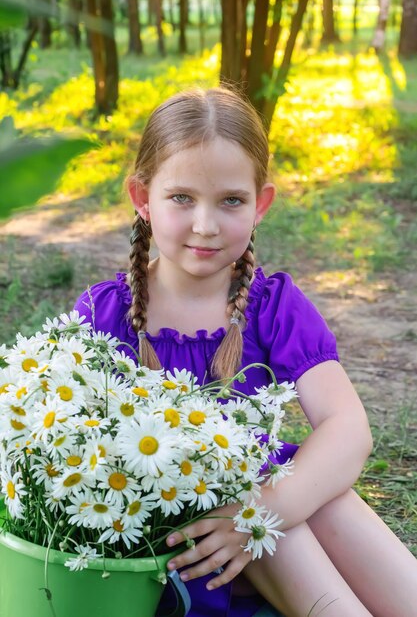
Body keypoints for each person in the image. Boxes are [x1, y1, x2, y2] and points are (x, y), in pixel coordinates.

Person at [74, 87, 417, 617]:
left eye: (231, 200)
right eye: (182, 198)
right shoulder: (107, 316)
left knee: (310, 494)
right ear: (142, 198)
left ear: (260, 204)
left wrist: (262, 511)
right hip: (178, 534)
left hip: (262, 514)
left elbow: (349, 428)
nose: (206, 225)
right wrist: (254, 514)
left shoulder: (271, 304)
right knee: (261, 500)